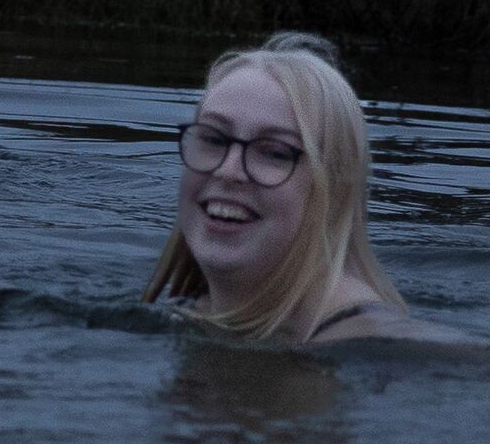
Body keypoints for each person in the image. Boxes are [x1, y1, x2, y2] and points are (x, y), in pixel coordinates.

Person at [142, 33, 464, 347]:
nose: (228, 171)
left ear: (335, 190)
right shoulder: (186, 314)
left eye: (275, 152)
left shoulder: (378, 341)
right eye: (213, 139)